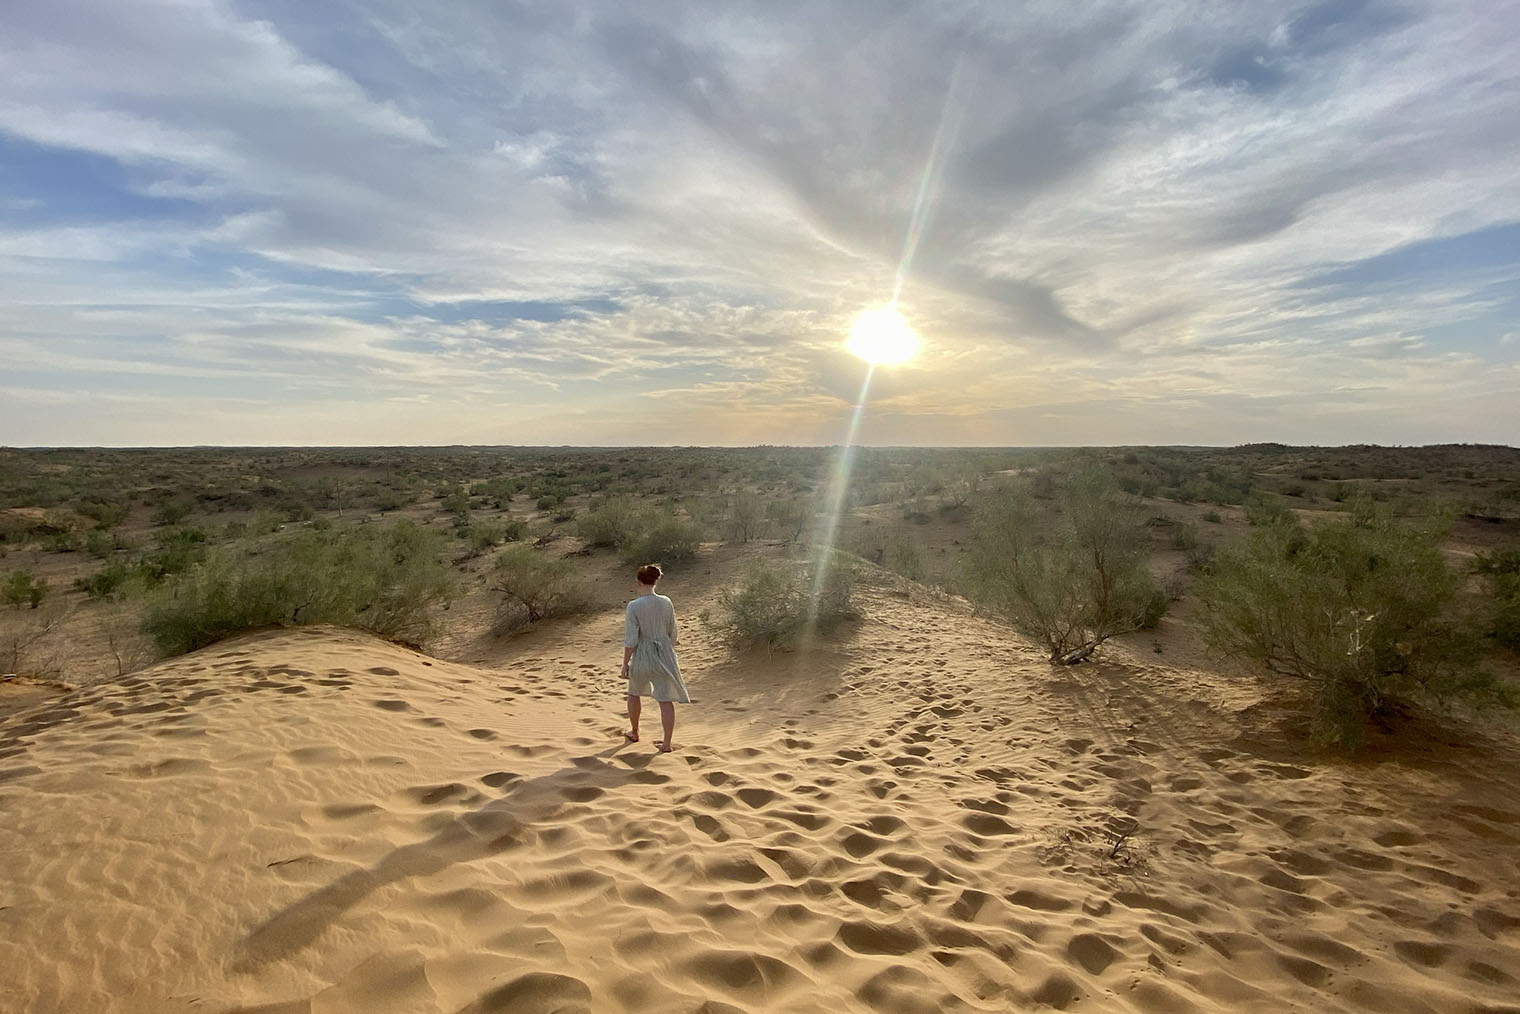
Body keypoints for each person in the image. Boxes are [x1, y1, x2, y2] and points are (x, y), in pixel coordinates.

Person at [621, 563, 689, 753]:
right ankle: (667, 744)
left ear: (638, 582)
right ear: (655, 581)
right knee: (665, 699)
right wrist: (667, 650)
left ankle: (634, 732)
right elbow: (672, 631)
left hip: (643, 653)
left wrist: (625, 662)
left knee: (634, 693)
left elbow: (631, 638)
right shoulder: (666, 602)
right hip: (663, 652)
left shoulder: (634, 606)